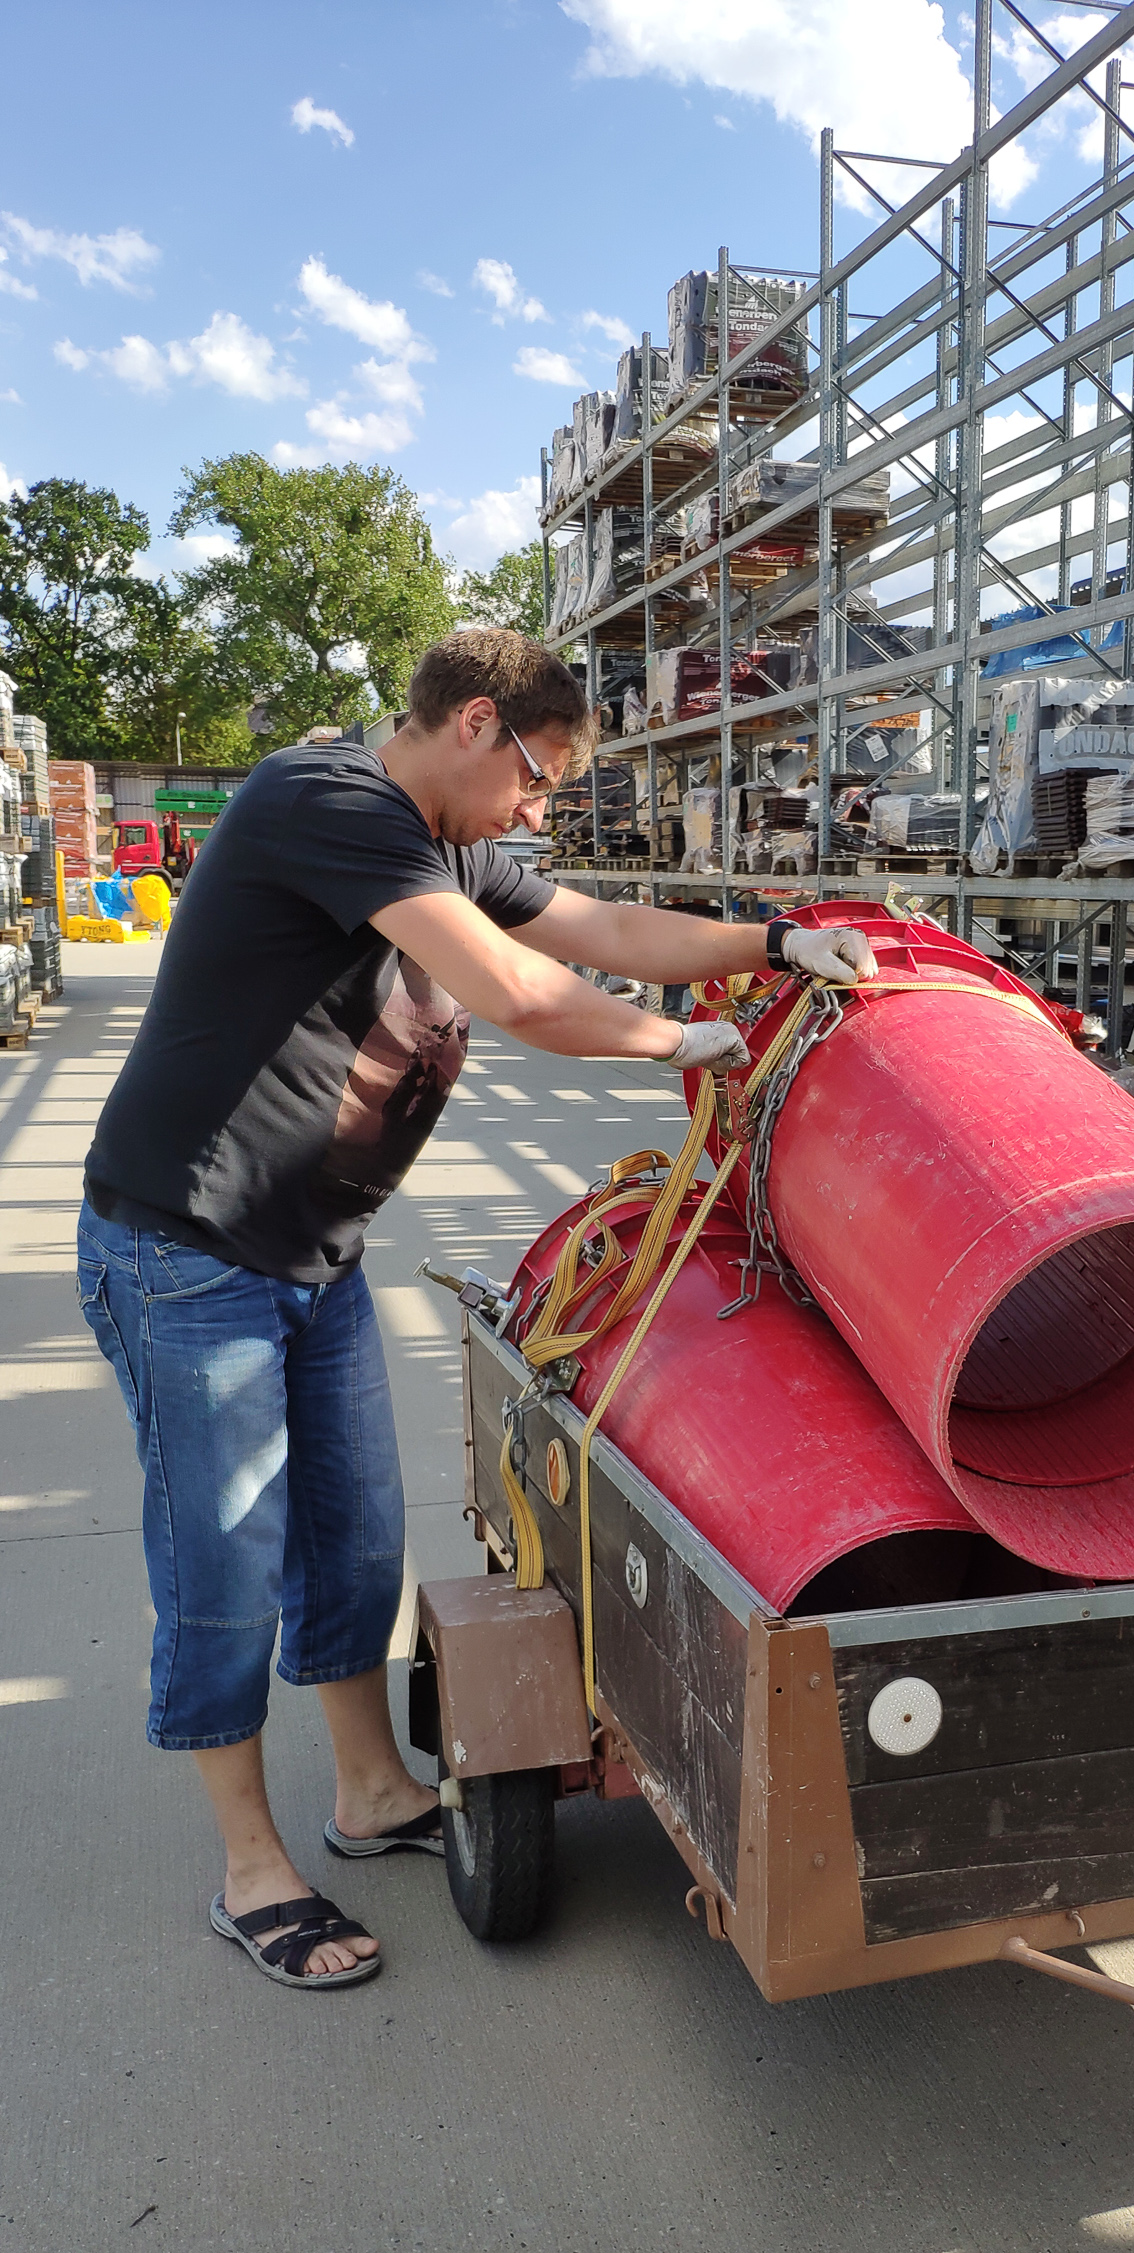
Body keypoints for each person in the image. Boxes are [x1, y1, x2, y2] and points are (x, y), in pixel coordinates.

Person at [78, 628, 876, 1991]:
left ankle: (369, 1790)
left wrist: (776, 941)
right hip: (187, 1254)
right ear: (475, 723)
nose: (537, 813)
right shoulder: (326, 800)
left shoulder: (454, 846)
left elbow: (606, 931)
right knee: (224, 1574)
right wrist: (685, 1040)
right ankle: (252, 1867)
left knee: (354, 1542)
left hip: (312, 1254)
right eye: (538, 778)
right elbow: (521, 992)